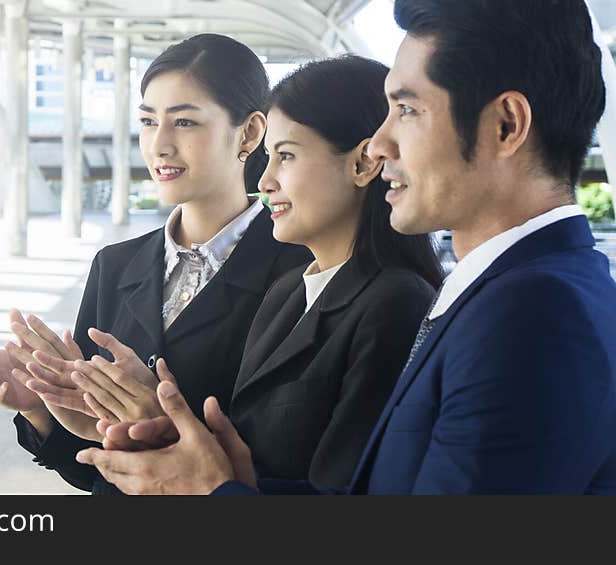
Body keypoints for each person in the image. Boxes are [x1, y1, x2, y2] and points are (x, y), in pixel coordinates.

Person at [76, 0, 616, 495]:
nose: (380, 145)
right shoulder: (506, 292)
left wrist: (217, 494)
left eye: (407, 110)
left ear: (505, 125)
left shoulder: (535, 312)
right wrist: (218, 472)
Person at [56, 56, 442, 490]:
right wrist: (158, 422)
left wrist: (213, 482)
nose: (267, 181)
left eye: (287, 156)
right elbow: (239, 459)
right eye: (269, 158)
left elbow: (349, 491)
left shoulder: (396, 304)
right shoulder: (288, 294)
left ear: (362, 164)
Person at [0, 34, 311, 494]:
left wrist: (155, 421)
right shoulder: (115, 266)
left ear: (248, 132)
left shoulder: (302, 269)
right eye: (148, 122)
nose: (159, 145)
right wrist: (43, 409)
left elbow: (286, 465)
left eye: (184, 121)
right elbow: (93, 470)